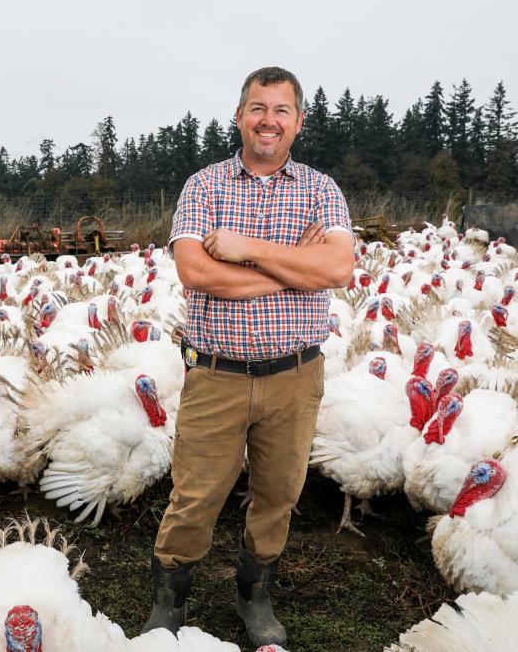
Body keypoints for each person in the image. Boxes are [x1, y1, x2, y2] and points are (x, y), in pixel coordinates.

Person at [141, 66, 355, 647]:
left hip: (294, 375)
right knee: (195, 494)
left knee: (279, 493)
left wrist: (247, 252)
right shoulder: (205, 186)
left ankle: (254, 594)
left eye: (281, 110)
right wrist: (290, 270)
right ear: (239, 116)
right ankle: (170, 600)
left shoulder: (320, 190)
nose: (269, 120)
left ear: (298, 123)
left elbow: (337, 268)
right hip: (218, 374)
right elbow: (196, 272)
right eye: (258, 108)